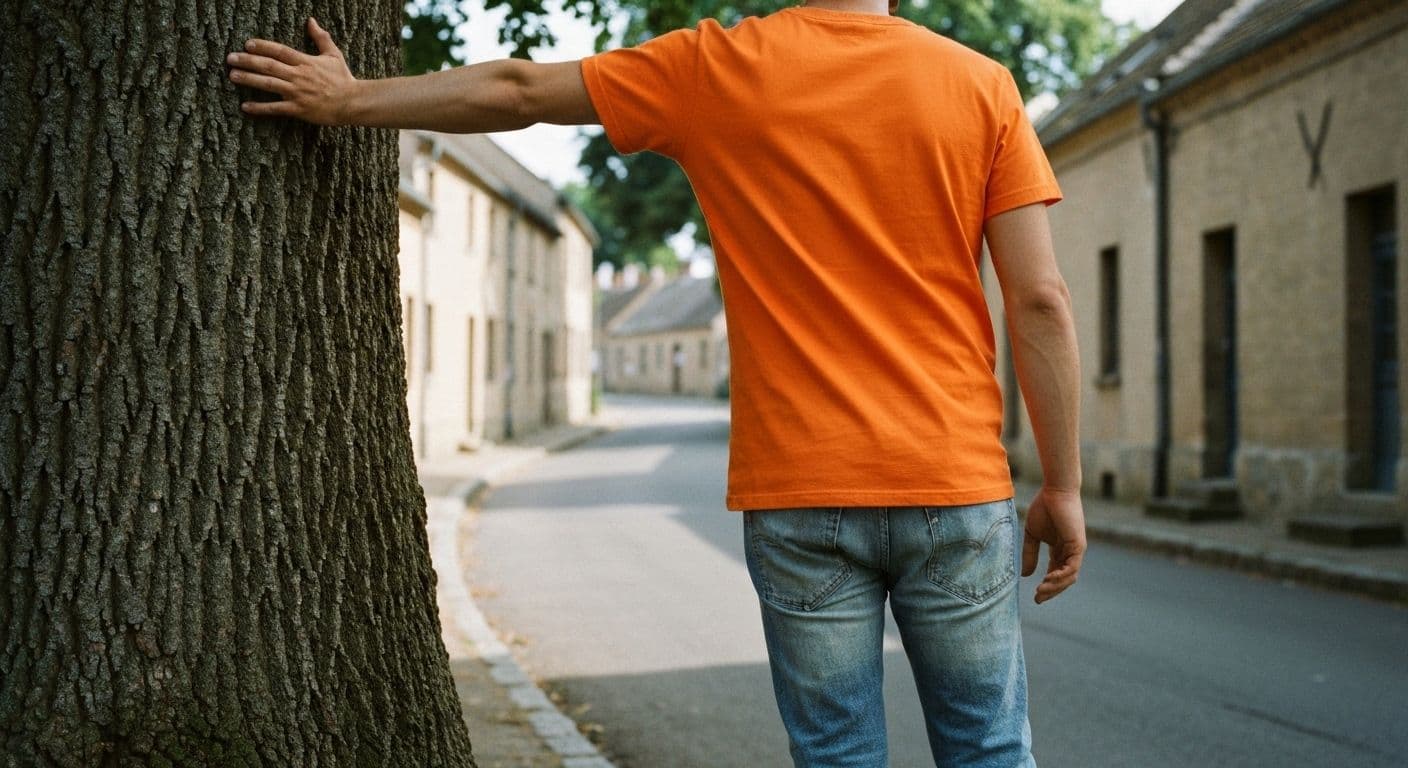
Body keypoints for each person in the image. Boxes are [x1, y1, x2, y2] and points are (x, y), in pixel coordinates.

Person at [226, 2, 1085, 765]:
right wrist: (1065, 483)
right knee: (989, 749)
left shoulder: (716, 68)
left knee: (835, 754)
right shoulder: (981, 87)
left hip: (798, 492)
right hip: (954, 486)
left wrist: (349, 100)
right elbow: (1039, 300)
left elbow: (518, 91)